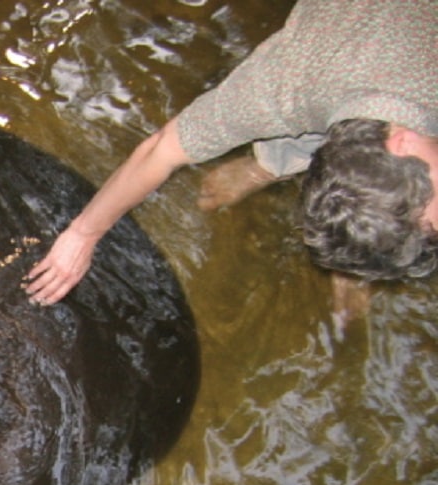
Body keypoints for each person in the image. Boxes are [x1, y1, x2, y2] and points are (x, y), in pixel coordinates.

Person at [25, 0, 438, 322]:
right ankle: (265, 166)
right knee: (316, 109)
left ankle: (277, 182)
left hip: (374, 60)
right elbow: (162, 149)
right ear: (399, 141)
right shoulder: (285, 83)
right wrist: (83, 233)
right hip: (344, 56)